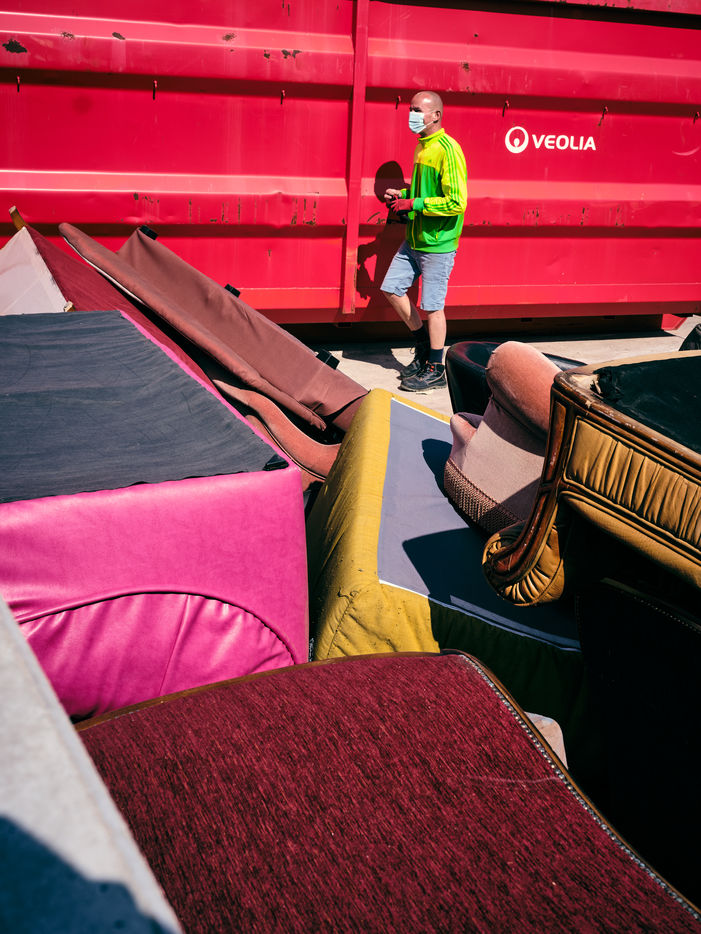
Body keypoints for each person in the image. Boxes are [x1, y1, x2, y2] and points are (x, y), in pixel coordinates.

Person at [381, 90, 468, 391]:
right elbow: (426, 190)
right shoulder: (423, 146)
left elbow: (456, 201)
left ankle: (436, 368)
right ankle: (422, 345)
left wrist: (414, 204)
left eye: (418, 110)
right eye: (411, 109)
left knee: (433, 307)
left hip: (437, 244)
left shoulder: (447, 149)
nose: (412, 115)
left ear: (436, 115)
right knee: (391, 288)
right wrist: (404, 195)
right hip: (414, 239)